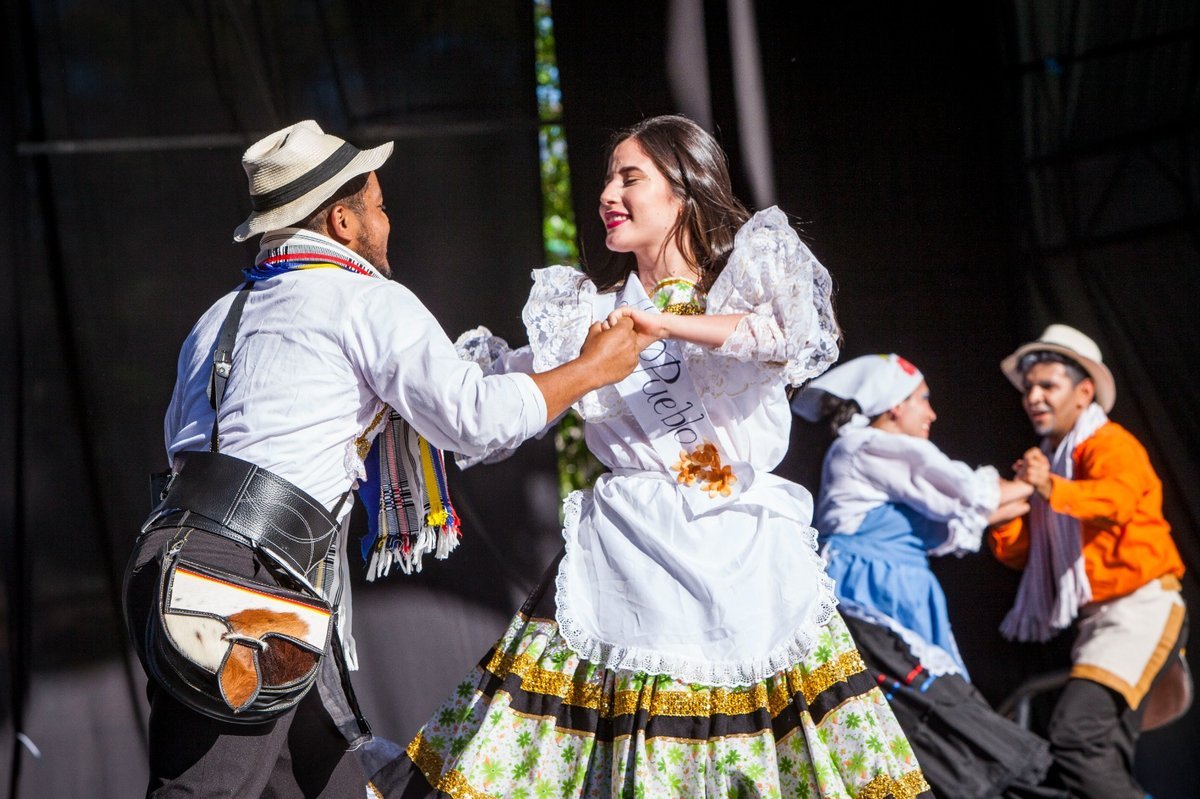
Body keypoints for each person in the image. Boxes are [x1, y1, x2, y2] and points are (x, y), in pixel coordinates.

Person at [371, 115, 931, 797]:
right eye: (608, 177)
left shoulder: (748, 282)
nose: (608, 192)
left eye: (629, 177)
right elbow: (510, 392)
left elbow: (784, 335)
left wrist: (662, 321)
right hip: (633, 550)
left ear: (685, 190)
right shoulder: (588, 313)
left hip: (746, 549)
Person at [121, 120, 640, 797]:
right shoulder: (362, 300)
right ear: (342, 220)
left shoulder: (217, 315)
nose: (387, 220)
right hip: (247, 588)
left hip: (182, 564)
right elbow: (474, 418)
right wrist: (590, 370)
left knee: (336, 782)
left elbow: (188, 449)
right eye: (380, 204)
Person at [793, 353, 1064, 798]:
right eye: (923, 400)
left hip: (900, 585)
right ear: (895, 405)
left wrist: (1030, 491)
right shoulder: (869, 445)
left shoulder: (872, 455)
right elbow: (968, 494)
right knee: (923, 702)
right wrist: (1040, 480)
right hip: (872, 592)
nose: (932, 413)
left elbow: (976, 512)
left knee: (936, 707)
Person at [990, 324, 1188, 799]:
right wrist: (1002, 510)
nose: (1033, 396)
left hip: (1141, 608)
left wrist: (1046, 488)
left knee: (1078, 740)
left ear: (1083, 392)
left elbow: (1115, 502)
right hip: (1096, 621)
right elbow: (1023, 555)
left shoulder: (1110, 444)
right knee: (1092, 755)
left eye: (1047, 386)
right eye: (1029, 388)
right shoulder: (1048, 461)